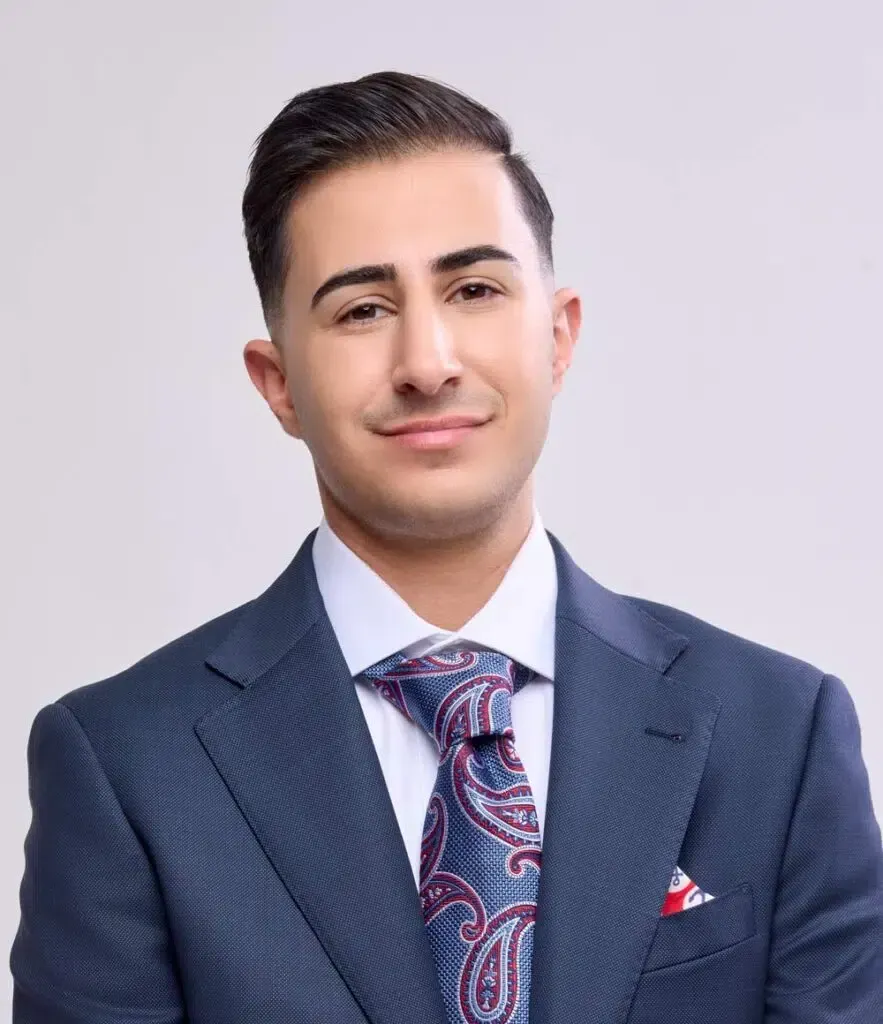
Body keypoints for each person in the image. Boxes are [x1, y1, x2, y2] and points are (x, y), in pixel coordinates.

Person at [9, 70, 882, 1024]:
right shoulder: (127, 764)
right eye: (361, 310)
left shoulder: (777, 735)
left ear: (558, 337)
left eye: (473, 288)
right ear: (278, 383)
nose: (427, 363)